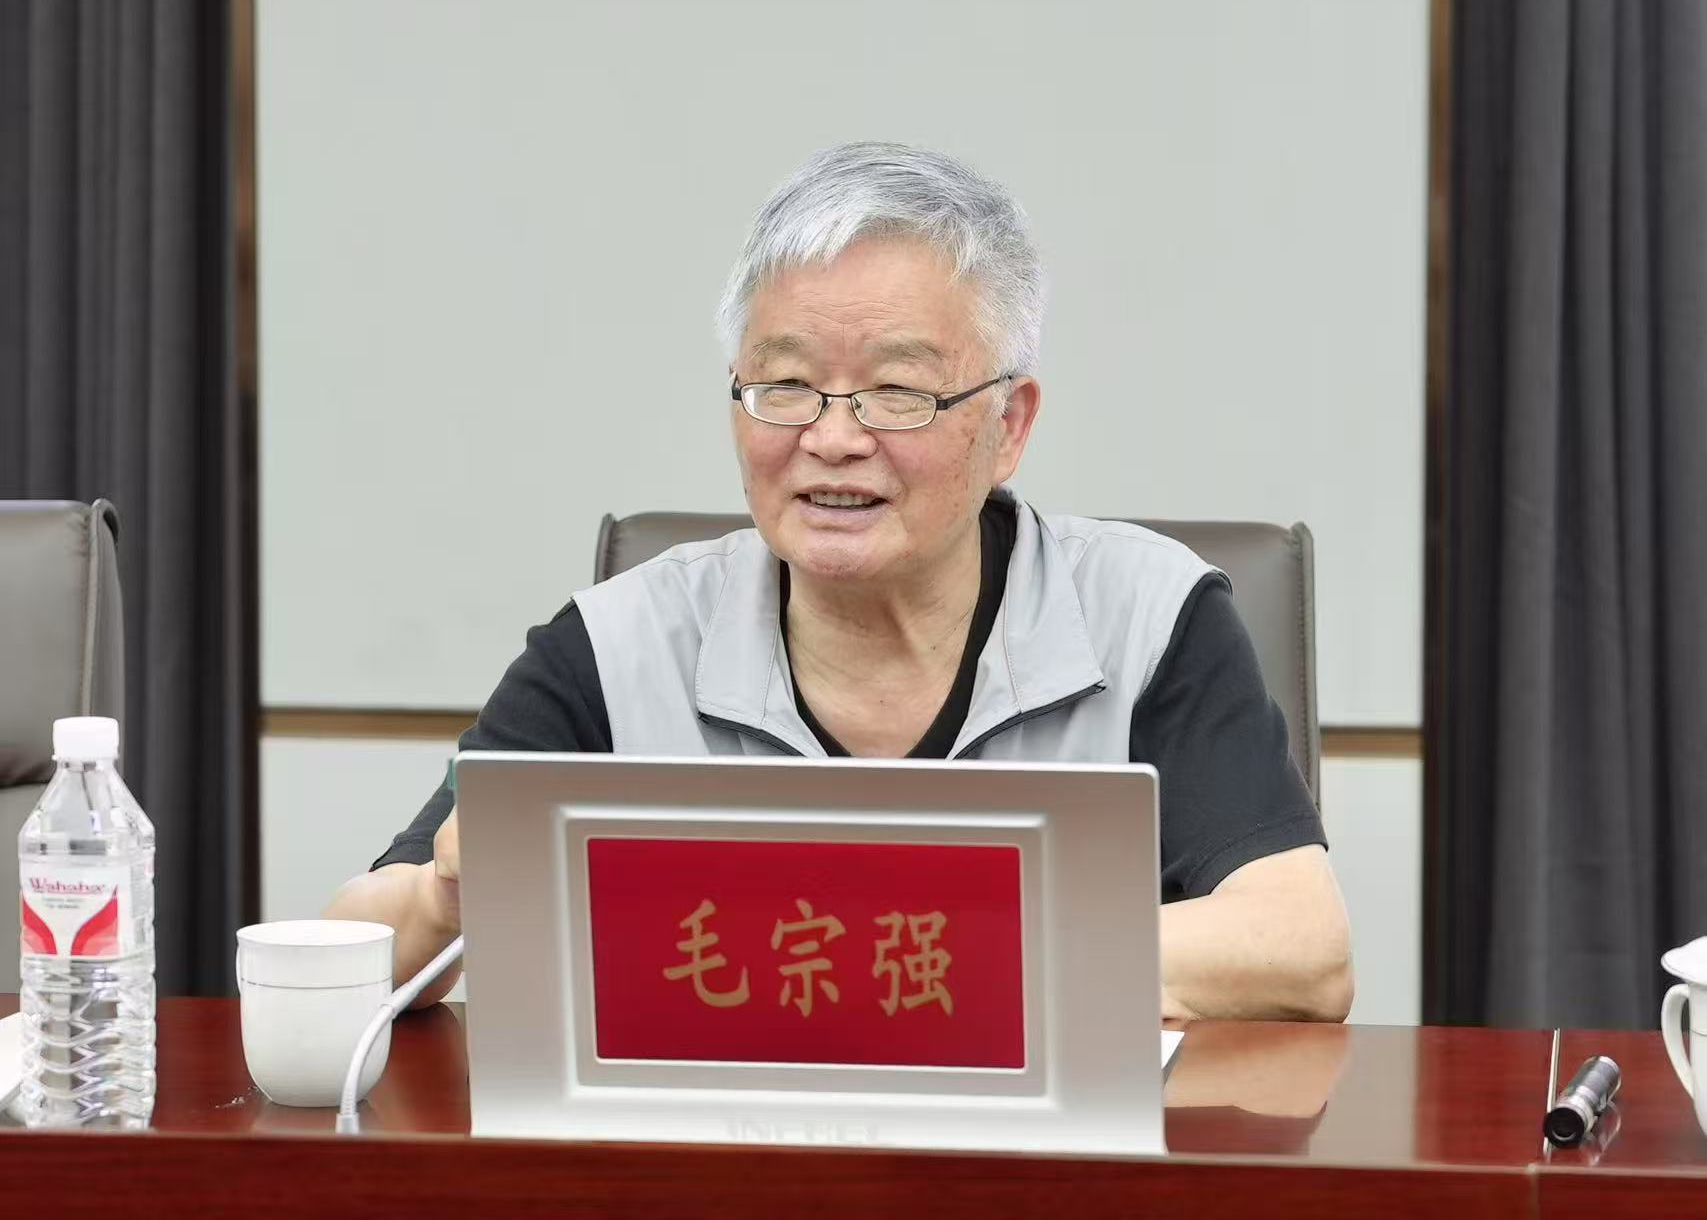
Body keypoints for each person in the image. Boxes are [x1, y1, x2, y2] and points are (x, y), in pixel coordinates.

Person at [326, 142, 1354, 1022]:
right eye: (784, 385)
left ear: (1009, 425)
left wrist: (911, 962)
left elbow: (1302, 948)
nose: (830, 438)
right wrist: (448, 896)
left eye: (897, 392)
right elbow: (352, 949)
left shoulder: (1148, 616)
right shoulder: (619, 641)